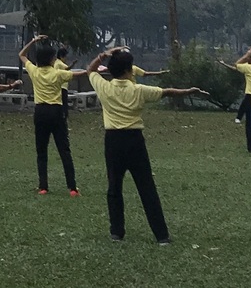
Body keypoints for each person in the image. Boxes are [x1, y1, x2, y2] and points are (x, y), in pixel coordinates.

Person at [87, 46, 207, 244]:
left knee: (114, 187)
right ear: (128, 70)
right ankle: (162, 235)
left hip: (113, 141)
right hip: (135, 140)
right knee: (146, 187)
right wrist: (189, 91)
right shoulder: (139, 90)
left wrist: (103, 55)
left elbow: (90, 69)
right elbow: (167, 92)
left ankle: (116, 232)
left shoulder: (104, 87)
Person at [20, 35, 87, 195]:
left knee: (41, 151)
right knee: (64, 150)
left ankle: (43, 187)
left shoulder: (34, 71)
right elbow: (81, 74)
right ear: (51, 59)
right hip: (56, 112)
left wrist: (33, 41)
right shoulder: (58, 74)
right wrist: (94, 68)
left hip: (40, 112)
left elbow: (22, 55)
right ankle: (72, 188)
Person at [54, 45, 78, 118]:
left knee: (62, 102)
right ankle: (64, 115)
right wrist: (73, 64)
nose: (66, 59)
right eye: (65, 57)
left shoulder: (57, 63)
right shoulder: (59, 63)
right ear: (61, 56)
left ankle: (62, 115)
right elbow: (67, 68)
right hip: (62, 86)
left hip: (60, 85)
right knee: (64, 102)